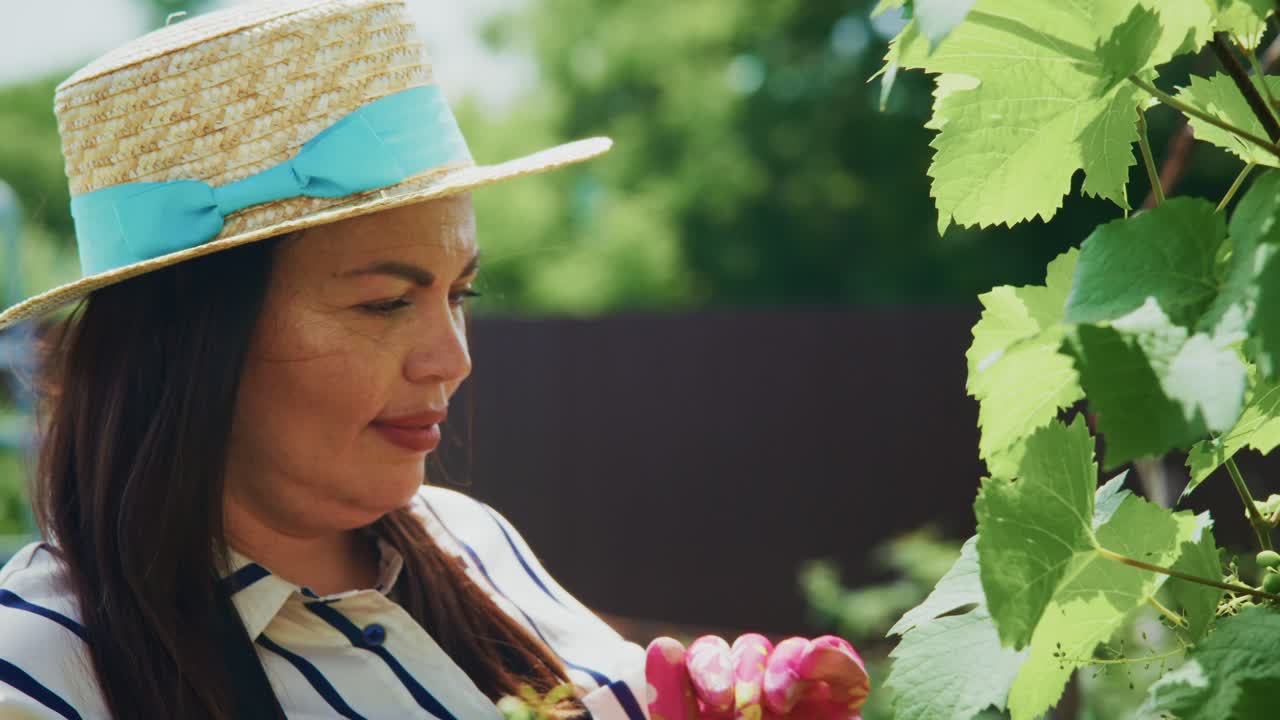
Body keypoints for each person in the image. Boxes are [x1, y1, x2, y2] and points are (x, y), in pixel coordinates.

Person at [0, 1, 870, 718]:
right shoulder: (38, 667)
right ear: (188, 343)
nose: (449, 360)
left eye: (461, 293)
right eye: (384, 303)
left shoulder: (474, 546)